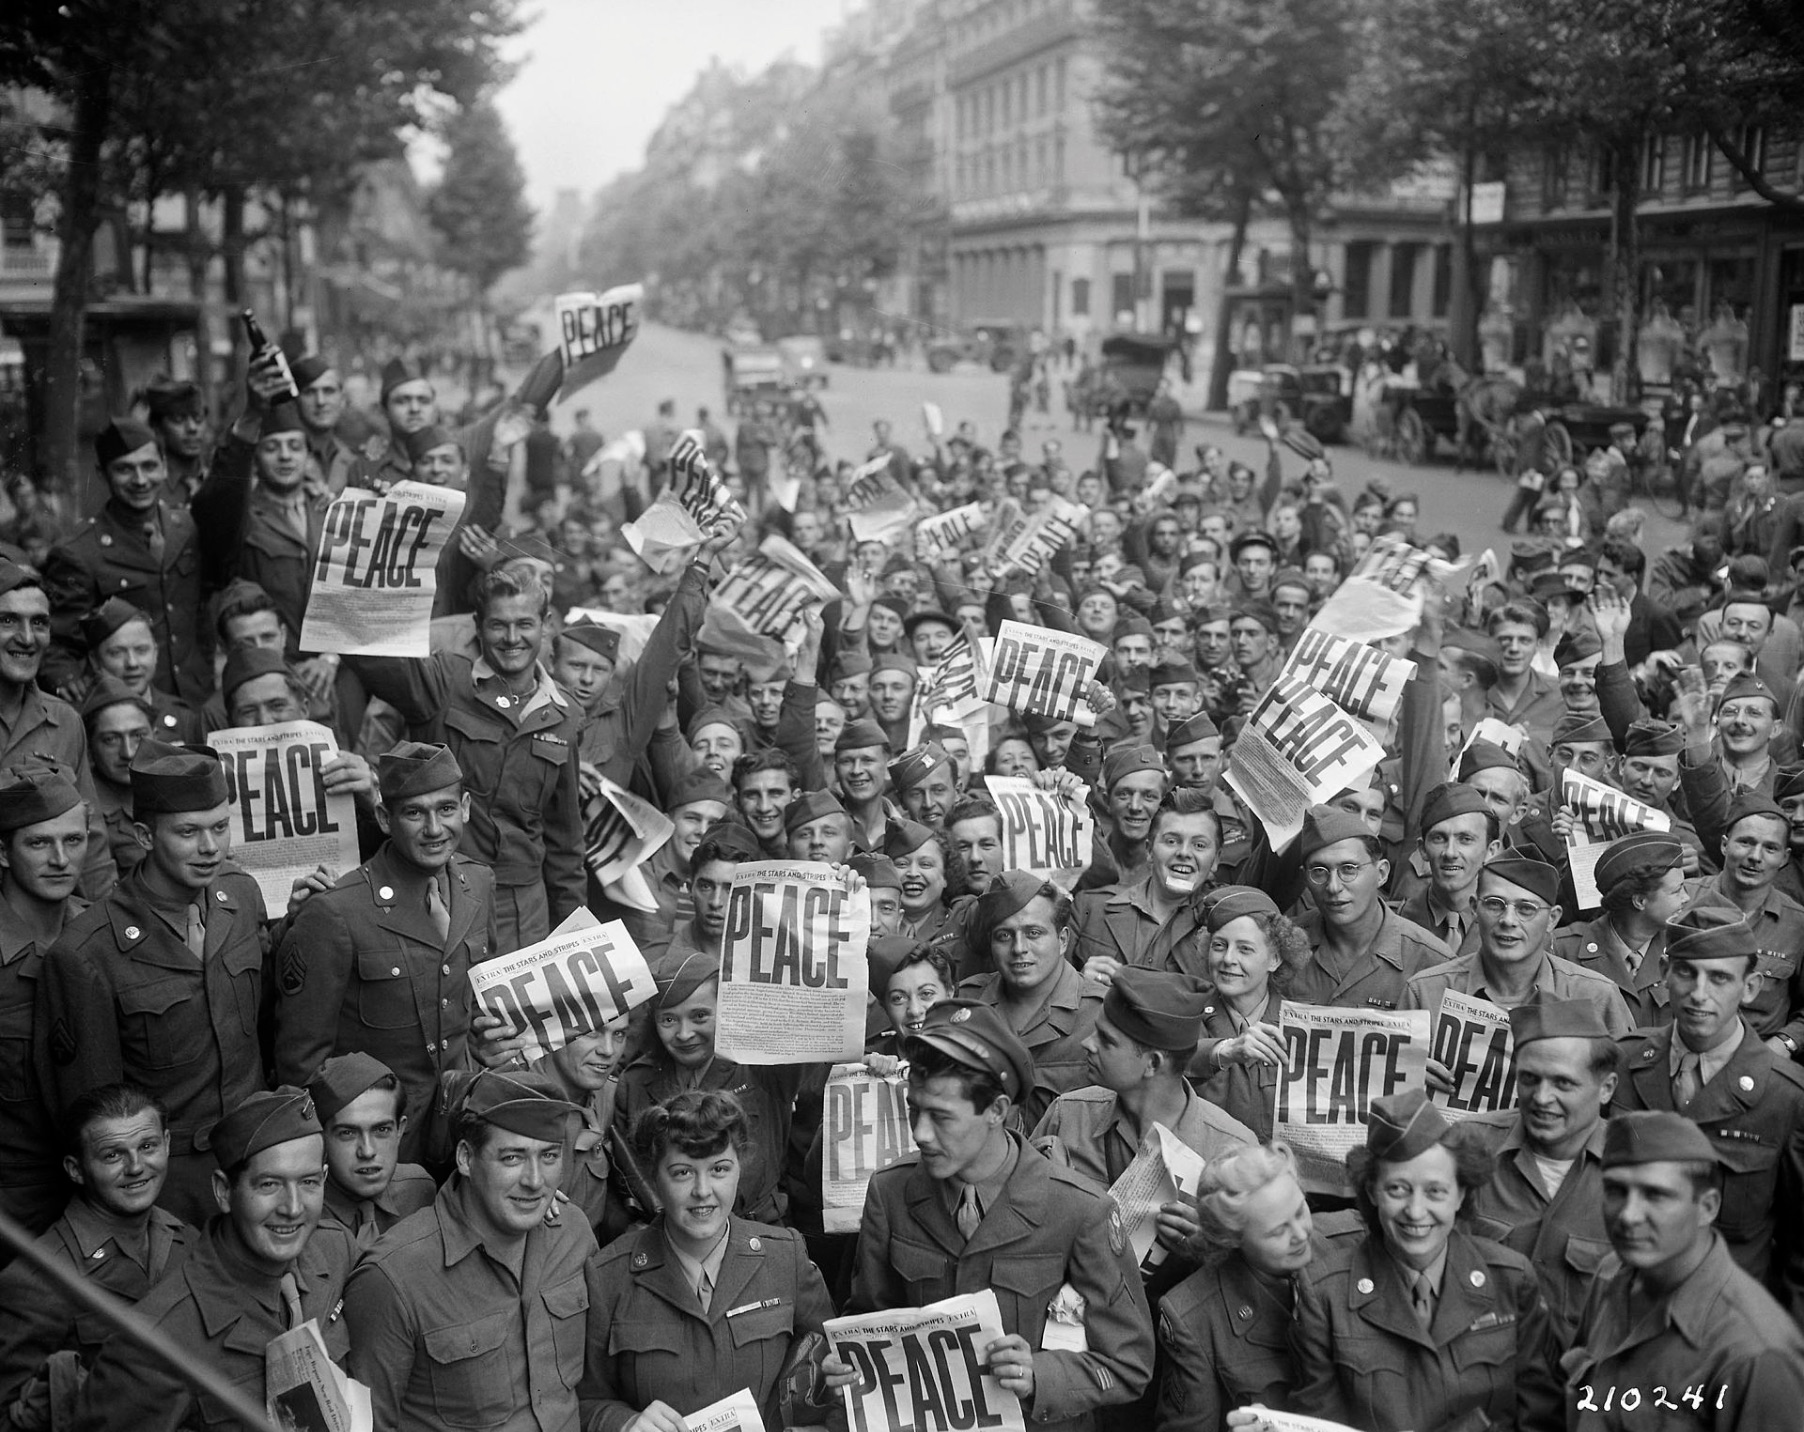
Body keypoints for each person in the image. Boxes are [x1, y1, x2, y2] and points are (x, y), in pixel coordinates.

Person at [836, 998, 1155, 1430]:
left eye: (942, 1117)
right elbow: (869, 1320)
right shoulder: (891, 1193)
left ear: (997, 1111)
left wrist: (1041, 1375)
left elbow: (1128, 1363)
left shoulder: (1079, 1210)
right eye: (914, 1110)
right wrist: (845, 1366)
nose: (920, 1132)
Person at [39, 741, 269, 1224]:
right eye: (188, 832)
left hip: (258, 1162)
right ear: (144, 836)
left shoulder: (242, 897)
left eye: (220, 828)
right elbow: (95, 1120)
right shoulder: (87, 953)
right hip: (168, 1192)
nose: (210, 848)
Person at [67, 1086, 358, 1432]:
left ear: (324, 1179)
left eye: (308, 1182)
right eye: (269, 1185)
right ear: (224, 1191)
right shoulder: (155, 1344)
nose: (293, 1207)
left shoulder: (335, 1250)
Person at [1289, 1088, 1560, 1432]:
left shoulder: (1511, 1278)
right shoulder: (1324, 1295)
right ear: (1372, 1191)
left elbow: (1541, 1416)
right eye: (1397, 1189)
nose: (1416, 1212)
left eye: (1435, 1191)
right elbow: (1320, 1422)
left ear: (1460, 1193)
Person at [347, 564, 587, 950]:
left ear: (547, 624)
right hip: (440, 895)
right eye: (498, 625)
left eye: (525, 624)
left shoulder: (565, 714)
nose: (512, 638)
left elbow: (565, 842)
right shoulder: (443, 681)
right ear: (478, 624)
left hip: (524, 913)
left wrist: (575, 936)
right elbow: (372, 657)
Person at [344, 1070, 597, 1432]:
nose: (535, 1181)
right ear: (465, 1158)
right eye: (512, 1158)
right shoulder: (393, 1279)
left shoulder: (572, 1233)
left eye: (550, 1156)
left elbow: (595, 1387)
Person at [581, 1091, 835, 1432]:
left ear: (739, 1167)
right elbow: (585, 1400)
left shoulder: (784, 1257)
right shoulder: (609, 1276)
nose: (703, 1190)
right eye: (683, 1172)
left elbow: (831, 1367)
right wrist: (625, 1423)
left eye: (719, 1169)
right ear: (654, 1176)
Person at [1611, 907, 1804, 1311]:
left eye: (1719, 978)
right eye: (1687, 972)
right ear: (1665, 971)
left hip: (1725, 1318)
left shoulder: (1786, 1097)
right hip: (1624, 1302)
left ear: (1749, 987)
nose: (1700, 994)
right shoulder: (1627, 1061)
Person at [1562, 1111, 1804, 1430]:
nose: (1629, 1215)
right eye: (1616, 1191)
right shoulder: (1611, 1275)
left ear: (1707, 1207)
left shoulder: (1755, 1352)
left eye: (1656, 1195)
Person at [1033, 968, 1254, 1284]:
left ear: (1152, 1064)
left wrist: (1211, 1247)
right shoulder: (1069, 1114)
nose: (1087, 1044)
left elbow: (1257, 1276)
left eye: (1106, 1040)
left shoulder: (1231, 1150)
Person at [0, 1084, 191, 1419]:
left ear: (168, 1145)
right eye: (112, 1155)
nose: (136, 1167)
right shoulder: (39, 1279)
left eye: (147, 1146)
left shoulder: (184, 1239)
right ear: (75, 1169)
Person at [1154, 1142, 1356, 1432]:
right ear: (1232, 1239)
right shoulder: (1194, 1321)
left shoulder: (1354, 1241)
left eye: (1300, 1212)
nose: (1300, 1235)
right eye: (1277, 1231)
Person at [1465, 996, 1618, 1342]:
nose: (1541, 1098)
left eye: (1563, 1083)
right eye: (1530, 1079)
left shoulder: (1638, 1171)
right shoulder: (1467, 1147)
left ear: (1606, 1088)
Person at [0, 768, 94, 1237]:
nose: (61, 859)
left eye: (73, 840)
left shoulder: (102, 935)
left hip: (103, 1196)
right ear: (2, 851)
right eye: (38, 844)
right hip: (14, 1207)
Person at [1404, 853, 1635, 1035]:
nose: (1508, 921)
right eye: (1495, 904)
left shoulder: (1595, 997)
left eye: (1526, 909)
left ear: (1552, 919)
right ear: (1474, 908)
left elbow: (1619, 1088)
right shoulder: (1426, 992)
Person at [0, 560, 117, 899]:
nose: (26, 638)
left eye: (39, 623)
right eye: (7, 621)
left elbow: (91, 841)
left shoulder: (64, 721)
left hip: (48, 928)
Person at [958, 872, 1104, 1129]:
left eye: (1034, 933)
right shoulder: (966, 1004)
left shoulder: (1101, 1015)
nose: (1018, 948)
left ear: (1062, 940)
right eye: (1004, 935)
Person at [1287, 805, 1450, 1011]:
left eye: (1349, 869)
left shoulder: (1431, 961)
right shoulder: (1283, 946)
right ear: (1305, 879)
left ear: (1381, 873)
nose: (1333, 887)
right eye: (1319, 872)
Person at [1191, 887, 1312, 1141]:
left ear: (1275, 959)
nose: (1228, 959)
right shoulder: (1186, 1016)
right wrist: (1223, 1051)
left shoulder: (1303, 1028)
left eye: (1245, 949)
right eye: (1219, 946)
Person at [1073, 789, 1220, 980]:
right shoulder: (1090, 907)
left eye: (1199, 845)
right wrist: (1080, 983)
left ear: (1216, 859)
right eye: (1172, 841)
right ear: (1149, 850)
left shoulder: (1220, 926)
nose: (1184, 853)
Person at [1551, 830, 1688, 1026]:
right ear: (1640, 901)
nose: (1686, 897)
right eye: (1677, 891)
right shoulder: (1562, 949)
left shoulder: (1682, 950)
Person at [306, 1052, 435, 1247]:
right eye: (347, 1133)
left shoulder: (417, 1191)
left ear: (399, 1130)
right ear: (320, 1138)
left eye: (382, 1130)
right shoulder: (302, 1216)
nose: (367, 1151)